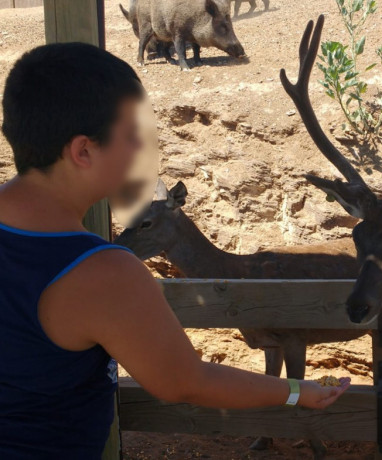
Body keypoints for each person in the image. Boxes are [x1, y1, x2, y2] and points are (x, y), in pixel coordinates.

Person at [0, 43, 350, 459]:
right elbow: (185, 381)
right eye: (132, 136)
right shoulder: (103, 272)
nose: (141, 152)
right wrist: (300, 392)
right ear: (84, 151)